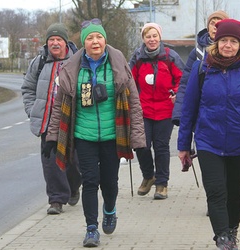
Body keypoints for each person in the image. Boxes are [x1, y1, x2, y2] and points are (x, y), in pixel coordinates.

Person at [43, 18, 146, 247]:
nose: (95, 41)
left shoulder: (118, 65)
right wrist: (52, 137)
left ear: (105, 40)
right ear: (83, 43)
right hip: (83, 136)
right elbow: (59, 107)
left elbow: (135, 103)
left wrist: (138, 138)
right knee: (90, 181)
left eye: (98, 37)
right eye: (90, 38)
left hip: (113, 135)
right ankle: (91, 229)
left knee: (109, 182)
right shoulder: (71, 69)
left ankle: (109, 209)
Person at [177, 19, 240, 249]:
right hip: (208, 142)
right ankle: (223, 238)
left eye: (233, 41)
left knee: (236, 194)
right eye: (223, 41)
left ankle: (232, 229)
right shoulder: (202, 70)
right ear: (216, 43)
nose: (227, 45)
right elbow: (188, 109)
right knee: (216, 191)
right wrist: (183, 145)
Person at [21, 23, 82, 215]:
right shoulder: (38, 63)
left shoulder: (78, 62)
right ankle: (56, 200)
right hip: (47, 121)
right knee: (51, 161)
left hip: (72, 120)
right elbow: (27, 89)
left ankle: (73, 187)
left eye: (59, 40)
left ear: (65, 42)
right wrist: (33, 110)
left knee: (74, 161)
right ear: (47, 43)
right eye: (51, 40)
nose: (55, 43)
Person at [129, 23, 185, 199]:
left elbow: (182, 79)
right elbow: (129, 80)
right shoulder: (137, 57)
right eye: (148, 36)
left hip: (165, 109)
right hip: (143, 109)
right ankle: (148, 176)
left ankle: (162, 184)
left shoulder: (170, 57)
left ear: (159, 37)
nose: (152, 40)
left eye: (154, 36)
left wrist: (176, 93)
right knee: (141, 145)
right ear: (143, 39)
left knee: (161, 147)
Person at [172, 10, 229, 126]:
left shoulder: (233, 52)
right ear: (208, 27)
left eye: (220, 24)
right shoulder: (197, 53)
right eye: (212, 23)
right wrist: (179, 113)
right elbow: (185, 83)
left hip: (228, 113)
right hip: (201, 112)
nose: (215, 27)